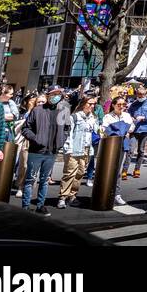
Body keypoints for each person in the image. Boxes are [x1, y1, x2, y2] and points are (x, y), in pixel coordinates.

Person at [21, 84, 71, 214]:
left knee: (44, 181)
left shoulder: (63, 110)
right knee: (30, 180)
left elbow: (66, 129)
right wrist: (36, 139)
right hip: (36, 151)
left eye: (58, 94)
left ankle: (40, 205)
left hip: (52, 152)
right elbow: (26, 128)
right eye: (53, 94)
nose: (56, 97)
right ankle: (25, 206)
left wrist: (61, 142)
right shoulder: (38, 110)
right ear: (48, 95)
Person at [58, 96, 95, 207]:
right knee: (69, 173)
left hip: (86, 148)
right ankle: (63, 197)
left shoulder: (93, 117)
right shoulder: (75, 117)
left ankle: (72, 195)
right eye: (90, 103)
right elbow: (69, 134)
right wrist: (68, 149)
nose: (92, 106)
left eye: (94, 104)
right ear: (83, 103)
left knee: (80, 173)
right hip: (74, 148)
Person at [102, 94, 136, 204]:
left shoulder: (127, 116)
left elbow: (131, 127)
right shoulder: (108, 117)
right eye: (119, 104)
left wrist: (126, 130)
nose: (121, 106)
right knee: (108, 170)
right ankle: (106, 192)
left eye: (124, 104)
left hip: (123, 145)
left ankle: (116, 193)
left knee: (118, 171)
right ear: (113, 105)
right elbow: (104, 129)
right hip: (110, 146)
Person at [122, 83, 147, 180]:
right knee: (130, 150)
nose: (140, 97)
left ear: (146, 95)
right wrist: (131, 118)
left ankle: (137, 169)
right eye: (138, 95)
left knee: (141, 150)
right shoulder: (133, 104)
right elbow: (128, 115)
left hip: (145, 130)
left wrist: (144, 118)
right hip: (134, 130)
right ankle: (124, 170)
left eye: (142, 95)